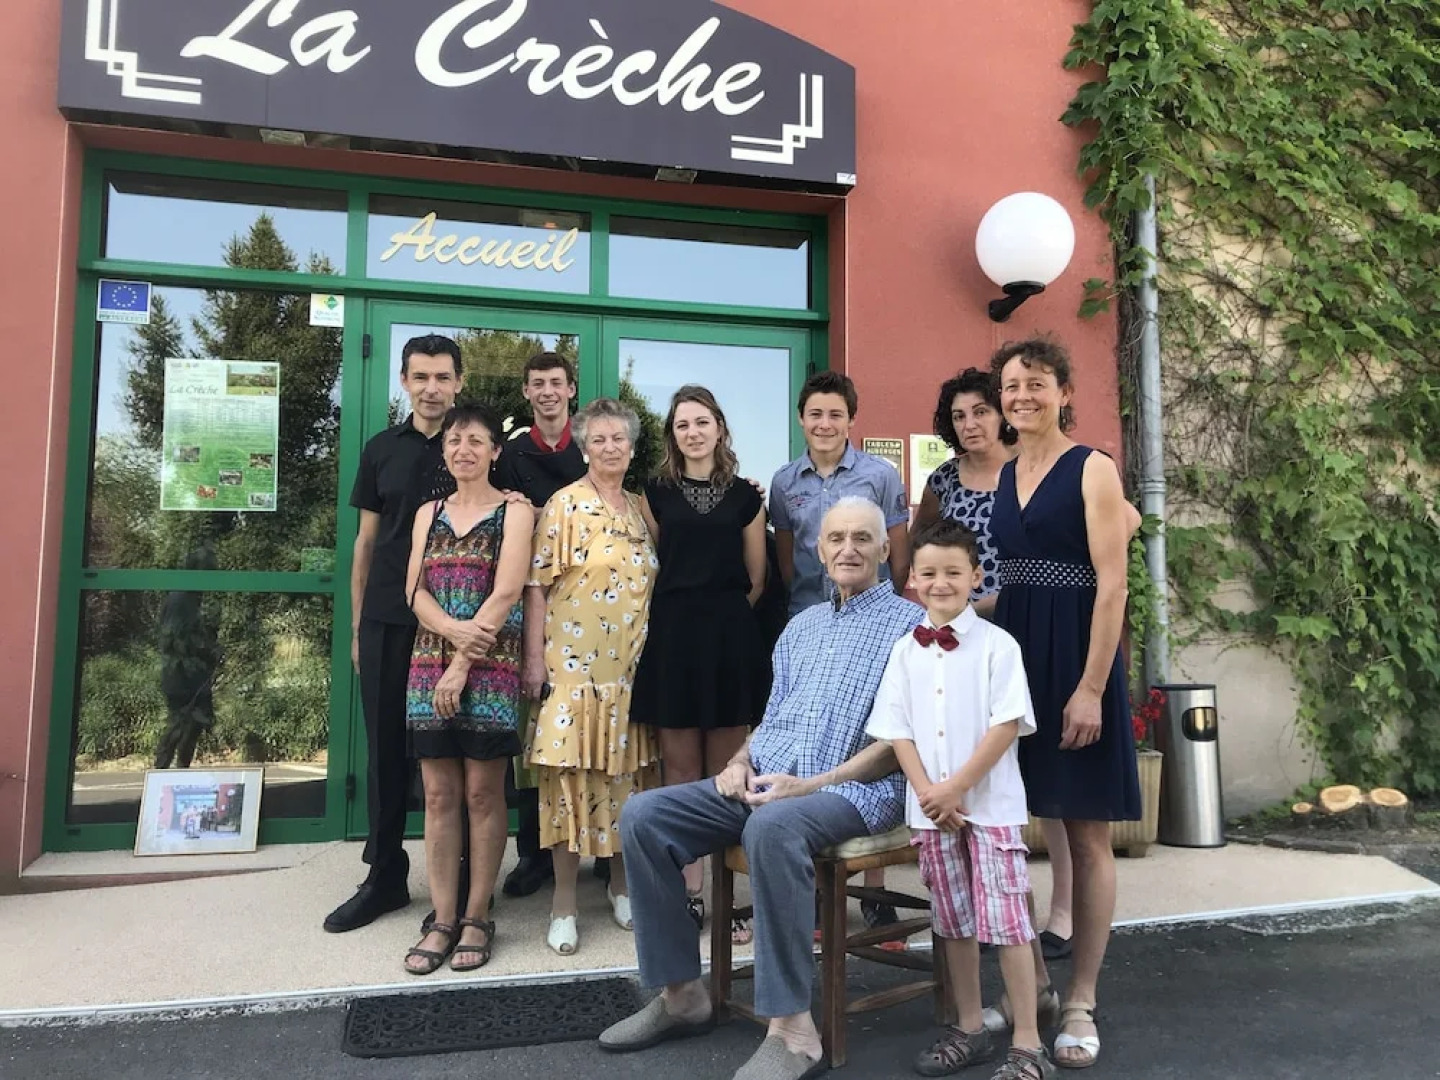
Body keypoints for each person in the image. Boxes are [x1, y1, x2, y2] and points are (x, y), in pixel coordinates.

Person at [600, 497, 922, 1080]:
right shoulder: (800, 627)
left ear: (882, 549)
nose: (848, 548)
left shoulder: (911, 629)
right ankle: (682, 994)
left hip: (851, 791)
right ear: (819, 552)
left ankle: (794, 1030)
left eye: (861, 538)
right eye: (836, 539)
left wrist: (814, 785)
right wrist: (735, 763)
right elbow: (773, 722)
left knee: (773, 827)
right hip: (768, 779)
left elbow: (904, 743)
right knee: (645, 815)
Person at [986, 338, 1140, 1070]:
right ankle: (1035, 986)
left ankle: (1081, 995)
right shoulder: (1009, 470)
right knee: (1014, 827)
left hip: (1077, 657)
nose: (1022, 396)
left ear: (1063, 390)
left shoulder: (1093, 467)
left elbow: (1111, 585)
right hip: (1019, 660)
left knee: (1085, 835)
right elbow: (1017, 580)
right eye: (1012, 386)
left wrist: (1090, 686)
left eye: (1036, 384)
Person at [866, 520, 1055, 1080]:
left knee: (1009, 922)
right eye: (928, 573)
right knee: (954, 923)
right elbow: (896, 729)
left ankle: (1027, 1042)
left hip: (988, 808)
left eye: (953, 572)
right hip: (931, 813)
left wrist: (955, 788)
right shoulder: (904, 651)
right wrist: (928, 791)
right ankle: (969, 1027)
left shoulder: (999, 646)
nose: (941, 582)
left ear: (976, 575)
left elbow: (1006, 725)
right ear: (912, 580)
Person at [913, 369, 1073, 962]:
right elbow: (925, 545)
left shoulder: (1029, 468)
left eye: (980, 411)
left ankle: (1060, 911)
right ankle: (989, 906)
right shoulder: (944, 478)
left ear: (1000, 414)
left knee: (1040, 768)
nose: (970, 424)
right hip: (963, 643)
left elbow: (1111, 524)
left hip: (1028, 626)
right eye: (958, 416)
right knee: (977, 763)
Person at [325, 334, 460, 934]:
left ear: (459, 382)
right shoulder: (381, 449)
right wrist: (358, 627)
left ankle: (455, 885)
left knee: (448, 752)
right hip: (386, 617)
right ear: (404, 381)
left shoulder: (475, 448)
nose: (432, 388)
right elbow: (365, 542)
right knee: (383, 750)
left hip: (454, 622)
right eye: (420, 377)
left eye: (442, 377)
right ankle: (385, 876)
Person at [769, 370, 913, 928]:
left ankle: (874, 890)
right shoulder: (786, 482)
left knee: (873, 732)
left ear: (850, 420)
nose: (825, 423)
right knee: (812, 733)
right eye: (815, 414)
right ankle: (811, 884)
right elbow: (787, 558)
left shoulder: (880, 474)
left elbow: (895, 553)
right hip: (812, 618)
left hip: (871, 622)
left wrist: (887, 615)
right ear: (802, 419)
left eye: (836, 414)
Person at [521, 398, 660, 956]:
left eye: (618, 439)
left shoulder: (641, 509)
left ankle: (622, 887)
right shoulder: (564, 505)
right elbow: (537, 587)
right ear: (584, 446)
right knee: (568, 787)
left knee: (628, 784)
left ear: (631, 447)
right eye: (598, 439)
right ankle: (564, 904)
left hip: (629, 674)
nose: (609, 448)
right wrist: (534, 661)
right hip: (573, 674)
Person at [400, 405, 534, 975]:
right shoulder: (428, 512)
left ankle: (479, 915)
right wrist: (451, 635)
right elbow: (414, 589)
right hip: (428, 664)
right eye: (455, 441)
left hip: (491, 667)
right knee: (438, 798)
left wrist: (461, 661)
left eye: (476, 441)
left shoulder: (516, 512)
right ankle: (443, 916)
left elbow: (506, 594)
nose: (464, 450)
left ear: (494, 451)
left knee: (483, 795)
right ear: (445, 450)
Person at [633, 385, 768, 935]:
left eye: (702, 422)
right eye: (683, 424)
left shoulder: (746, 496)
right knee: (681, 774)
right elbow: (656, 563)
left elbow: (757, 579)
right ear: (673, 434)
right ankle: (690, 892)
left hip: (729, 640)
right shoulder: (655, 493)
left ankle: (731, 896)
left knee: (729, 775)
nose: (693, 432)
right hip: (673, 641)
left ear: (719, 429)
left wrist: (722, 620)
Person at [492, 351, 587, 899]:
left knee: (586, 738)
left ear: (571, 389)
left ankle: (594, 846)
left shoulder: (588, 448)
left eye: (556, 382)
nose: (547, 391)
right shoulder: (512, 455)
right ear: (527, 393)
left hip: (588, 609)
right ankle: (533, 853)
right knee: (534, 742)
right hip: (529, 602)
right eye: (537, 384)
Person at [154, 546, 220, 770]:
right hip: (181, 674)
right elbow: (171, 640)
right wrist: (205, 649)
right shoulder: (181, 598)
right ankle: (161, 771)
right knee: (179, 723)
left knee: (195, 724)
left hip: (196, 673)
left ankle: (182, 770)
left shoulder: (193, 598)